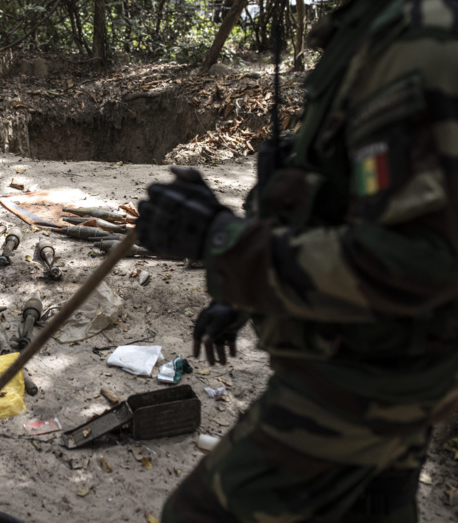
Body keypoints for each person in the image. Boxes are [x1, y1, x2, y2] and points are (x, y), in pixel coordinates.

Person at [136, 0, 458, 521]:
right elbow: (341, 201)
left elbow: (420, 261)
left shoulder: (418, 39)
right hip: (383, 353)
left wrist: (224, 242)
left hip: (372, 373)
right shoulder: (367, 28)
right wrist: (240, 293)